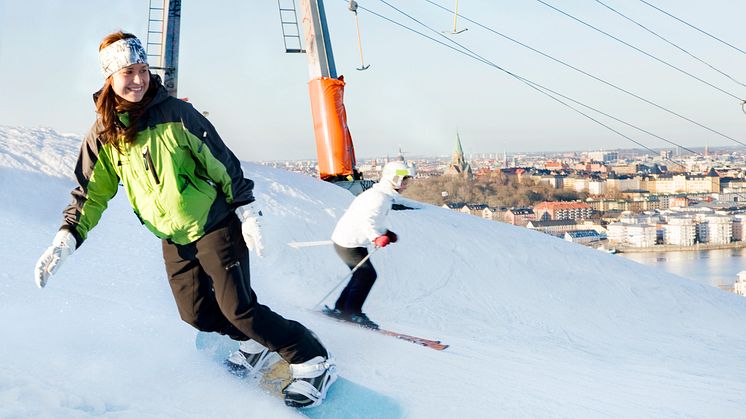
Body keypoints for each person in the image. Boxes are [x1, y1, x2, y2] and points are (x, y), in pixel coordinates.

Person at [32, 31, 335, 408]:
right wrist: (67, 237)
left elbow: (223, 162)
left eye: (143, 69)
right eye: (129, 72)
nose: (139, 79)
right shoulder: (105, 134)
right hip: (174, 236)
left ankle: (310, 357)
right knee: (196, 315)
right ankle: (257, 345)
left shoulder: (177, 114)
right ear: (110, 77)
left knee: (239, 309)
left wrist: (247, 211)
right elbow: (91, 193)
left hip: (215, 222)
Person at [325, 160, 414, 329]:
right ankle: (352, 313)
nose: (406, 185)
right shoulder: (378, 198)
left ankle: (341, 309)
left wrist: (385, 233)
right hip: (349, 242)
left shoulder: (382, 196)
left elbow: (374, 220)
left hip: (353, 240)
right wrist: (376, 237)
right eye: (404, 181)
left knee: (361, 275)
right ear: (392, 179)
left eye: (407, 180)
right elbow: (367, 221)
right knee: (366, 275)